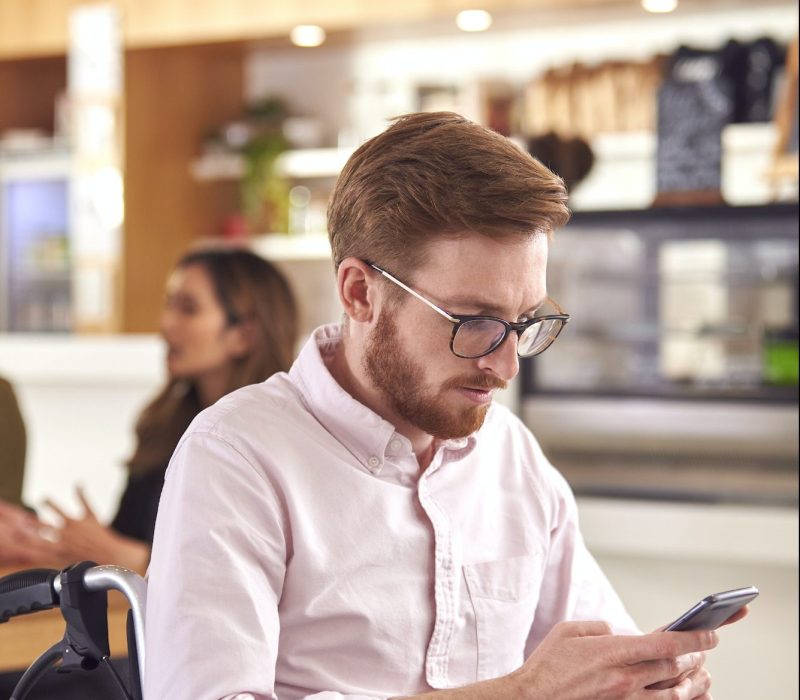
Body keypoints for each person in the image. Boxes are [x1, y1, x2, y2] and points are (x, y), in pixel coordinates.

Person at [145, 112, 743, 700]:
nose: (507, 365)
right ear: (360, 293)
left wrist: (641, 681)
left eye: (524, 323)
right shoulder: (236, 457)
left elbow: (589, 658)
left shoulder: (511, 455)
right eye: (476, 321)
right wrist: (522, 694)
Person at [0, 247, 298, 574]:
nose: (166, 324)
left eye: (188, 309)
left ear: (244, 335)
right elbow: (121, 541)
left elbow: (255, 573)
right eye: (169, 305)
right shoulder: (165, 424)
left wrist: (136, 559)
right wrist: (58, 541)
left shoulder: (279, 440)